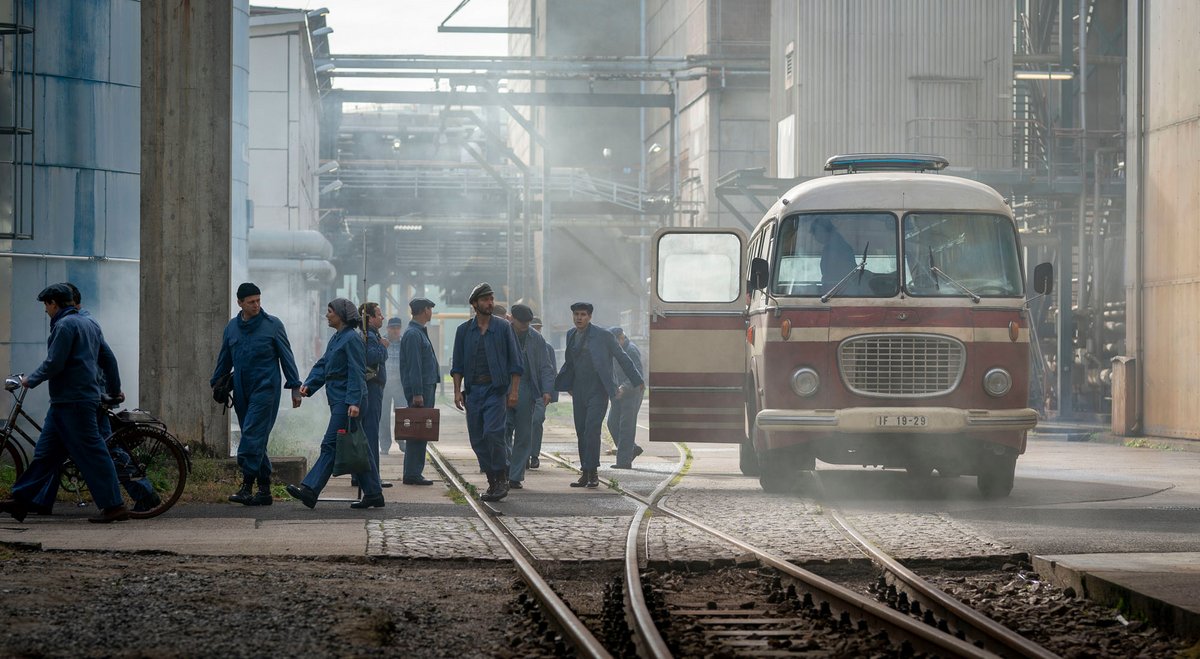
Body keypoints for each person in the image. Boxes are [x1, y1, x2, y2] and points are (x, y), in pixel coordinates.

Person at [0, 284, 128, 523]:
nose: (46, 311)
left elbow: (54, 363)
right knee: (46, 455)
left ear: (54, 303)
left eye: (46, 306)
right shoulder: (89, 324)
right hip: (65, 403)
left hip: (75, 402)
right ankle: (22, 500)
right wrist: (114, 389)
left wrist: (29, 380)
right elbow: (107, 358)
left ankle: (114, 506)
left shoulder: (65, 325)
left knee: (94, 453)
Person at [25, 283, 158, 514]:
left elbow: (105, 359)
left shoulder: (75, 323)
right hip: (86, 395)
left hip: (82, 396)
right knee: (54, 449)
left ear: (70, 302)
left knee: (105, 449)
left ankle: (140, 494)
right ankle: (39, 500)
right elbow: (106, 359)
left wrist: (114, 391)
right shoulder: (82, 322)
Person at [210, 282, 303, 506]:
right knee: (256, 437)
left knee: (251, 434)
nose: (257, 305)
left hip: (266, 388)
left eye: (259, 300)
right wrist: (216, 383)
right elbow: (224, 359)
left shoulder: (273, 325)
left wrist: (295, 387)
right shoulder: (231, 328)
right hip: (242, 390)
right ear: (240, 303)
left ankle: (246, 486)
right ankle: (264, 490)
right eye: (251, 302)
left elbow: (287, 357)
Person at [286, 298, 383, 509]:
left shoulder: (351, 339)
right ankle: (374, 493)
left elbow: (357, 371)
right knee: (357, 447)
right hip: (340, 399)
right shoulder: (337, 338)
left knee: (331, 444)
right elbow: (324, 365)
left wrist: (354, 402)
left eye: (330, 311)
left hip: (348, 400)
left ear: (341, 315)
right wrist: (309, 385)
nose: (327, 315)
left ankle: (310, 490)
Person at [555, 302, 643, 488]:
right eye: (576, 314)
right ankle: (585, 472)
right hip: (579, 389)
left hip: (598, 389)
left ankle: (593, 471)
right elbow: (570, 362)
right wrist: (567, 384)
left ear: (590, 317)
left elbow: (622, 357)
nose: (579, 318)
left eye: (583, 314)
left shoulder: (603, 336)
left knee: (592, 429)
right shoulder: (571, 334)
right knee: (581, 430)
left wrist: (637, 380)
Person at [451, 283, 522, 502]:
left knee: (493, 432)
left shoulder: (503, 328)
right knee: (477, 439)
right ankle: (493, 481)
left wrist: (514, 392)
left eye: (491, 299)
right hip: (473, 392)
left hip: (496, 390)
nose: (490, 303)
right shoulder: (463, 331)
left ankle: (501, 477)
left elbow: (515, 362)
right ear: (474, 304)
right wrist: (457, 392)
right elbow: (458, 365)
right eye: (485, 300)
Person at [505, 304, 555, 489]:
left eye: (528, 323)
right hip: (504, 387)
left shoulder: (536, 339)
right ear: (512, 319)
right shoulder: (503, 334)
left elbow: (546, 367)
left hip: (527, 387)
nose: (525, 326)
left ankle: (515, 476)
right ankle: (505, 468)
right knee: (503, 429)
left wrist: (547, 391)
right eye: (522, 323)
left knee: (524, 434)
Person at [399, 297, 440, 485]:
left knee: (421, 430)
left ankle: (414, 471)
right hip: (421, 390)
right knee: (418, 431)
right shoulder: (414, 334)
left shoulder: (418, 332)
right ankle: (412, 473)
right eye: (430, 309)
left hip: (424, 388)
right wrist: (417, 393)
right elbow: (414, 366)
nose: (431, 312)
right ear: (425, 310)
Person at [357, 301, 392, 489]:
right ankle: (372, 478)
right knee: (371, 433)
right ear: (369, 318)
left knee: (367, 432)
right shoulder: (370, 335)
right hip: (372, 388)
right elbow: (372, 357)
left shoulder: (370, 334)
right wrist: (384, 346)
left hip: (372, 388)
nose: (382, 317)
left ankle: (363, 475)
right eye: (379, 314)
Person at [606, 327, 645, 469]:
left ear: (622, 338)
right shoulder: (614, 350)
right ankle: (632, 449)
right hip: (618, 393)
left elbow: (638, 375)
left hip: (632, 393)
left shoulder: (631, 350)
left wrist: (624, 387)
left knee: (626, 426)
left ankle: (624, 462)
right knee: (612, 423)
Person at [527, 316, 555, 470]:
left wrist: (550, 392)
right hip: (524, 390)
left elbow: (551, 371)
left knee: (537, 421)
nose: (536, 330)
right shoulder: (520, 344)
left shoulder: (547, 347)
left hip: (539, 393)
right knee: (522, 423)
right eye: (534, 327)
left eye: (538, 327)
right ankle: (523, 455)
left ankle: (534, 455)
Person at [380, 316, 406, 455]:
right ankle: (384, 445)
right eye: (392, 328)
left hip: (399, 385)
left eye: (397, 328)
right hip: (384, 384)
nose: (395, 331)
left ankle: (402, 441)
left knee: (402, 414)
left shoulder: (404, 343)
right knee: (383, 416)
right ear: (388, 329)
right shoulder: (382, 341)